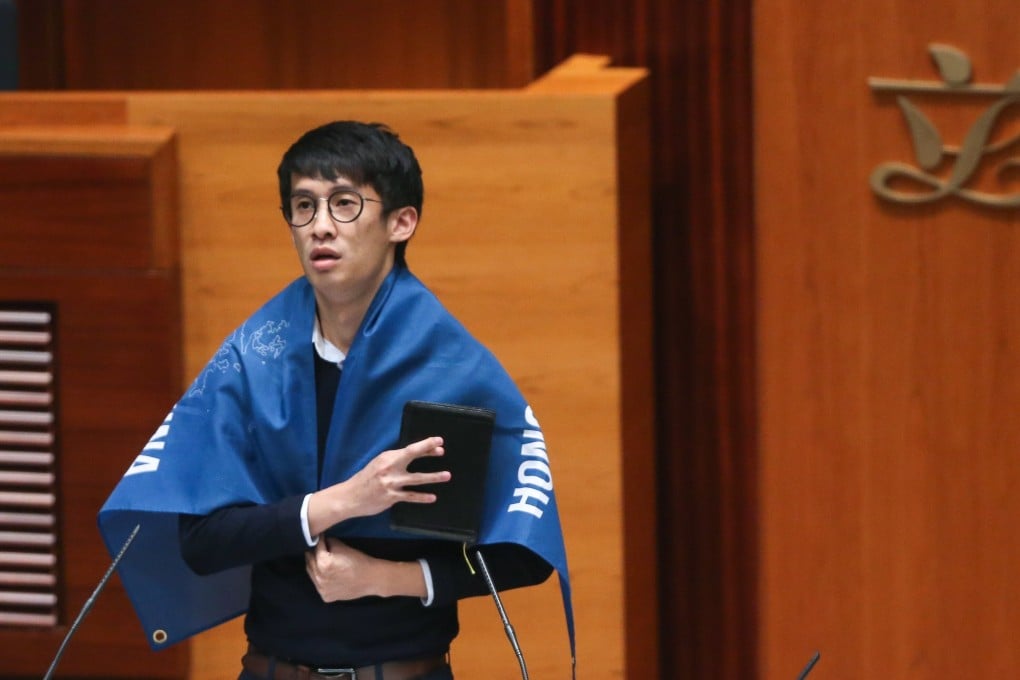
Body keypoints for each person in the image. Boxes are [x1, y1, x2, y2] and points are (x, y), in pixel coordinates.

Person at [98, 121, 572, 680]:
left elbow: (520, 551)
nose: (320, 227)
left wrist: (386, 578)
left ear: (401, 221)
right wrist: (342, 501)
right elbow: (202, 542)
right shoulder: (254, 360)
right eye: (304, 206)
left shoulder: (450, 369)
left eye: (344, 204)